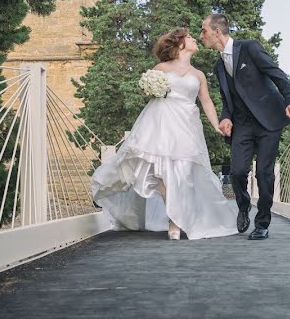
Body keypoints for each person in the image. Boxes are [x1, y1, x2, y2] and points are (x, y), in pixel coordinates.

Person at [91, 28, 237, 240]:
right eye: (190, 37)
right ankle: (174, 220)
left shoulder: (199, 75)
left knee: (184, 173)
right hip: (161, 121)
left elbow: (205, 101)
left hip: (187, 124)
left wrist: (215, 125)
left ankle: (180, 217)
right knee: (160, 173)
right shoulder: (161, 67)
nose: (195, 39)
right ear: (179, 43)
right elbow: (146, 91)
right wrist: (149, 88)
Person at [199, 13, 290, 240]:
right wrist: (226, 117)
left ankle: (263, 222)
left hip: (268, 121)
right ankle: (243, 206)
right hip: (242, 125)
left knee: (264, 173)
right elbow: (227, 100)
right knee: (236, 172)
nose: (201, 36)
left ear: (217, 31)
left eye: (203, 31)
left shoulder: (250, 48)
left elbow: (276, 74)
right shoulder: (218, 65)